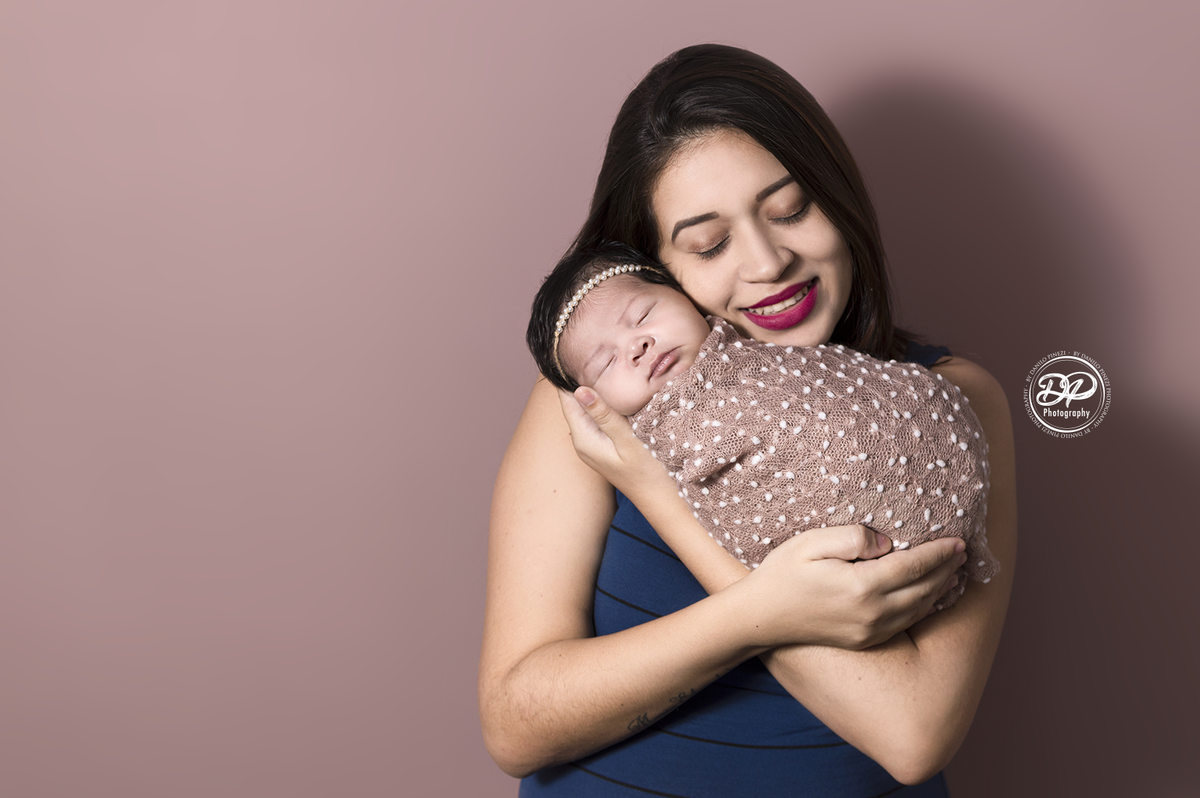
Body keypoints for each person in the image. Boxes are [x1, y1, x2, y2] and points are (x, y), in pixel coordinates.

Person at [480, 44, 1016, 797]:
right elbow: (515, 725)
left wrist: (662, 497)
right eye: (709, 244)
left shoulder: (948, 400)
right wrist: (757, 612)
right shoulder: (596, 404)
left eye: (792, 209)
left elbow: (912, 735)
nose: (767, 263)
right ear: (659, 267)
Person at [527, 242, 998, 606]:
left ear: (678, 292)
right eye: (607, 362)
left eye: (643, 316)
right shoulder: (612, 436)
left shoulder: (749, 353)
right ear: (588, 398)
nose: (637, 346)